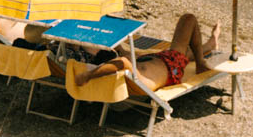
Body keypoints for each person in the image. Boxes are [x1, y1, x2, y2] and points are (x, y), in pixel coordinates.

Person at [75, 14, 219, 92]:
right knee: (189, 19)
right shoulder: (128, 67)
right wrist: (87, 76)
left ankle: (209, 45)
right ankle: (201, 62)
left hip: (161, 60)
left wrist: (119, 46)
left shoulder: (133, 67)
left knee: (186, 53)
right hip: (171, 66)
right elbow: (122, 62)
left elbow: (123, 57)